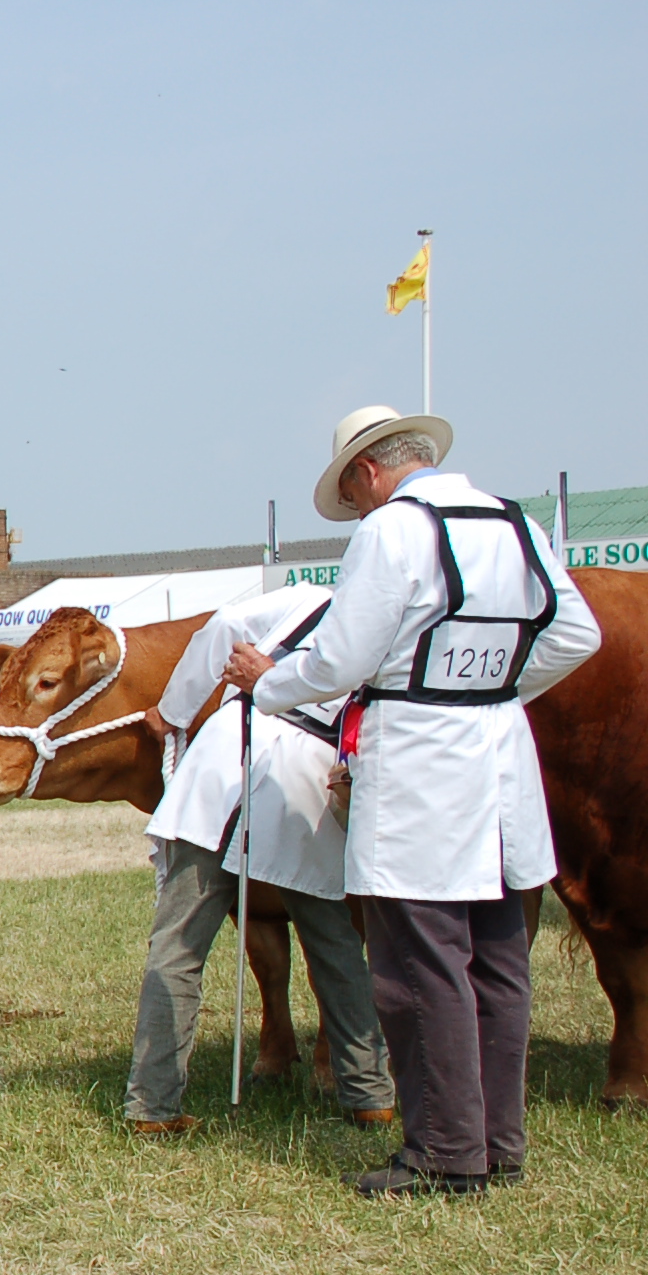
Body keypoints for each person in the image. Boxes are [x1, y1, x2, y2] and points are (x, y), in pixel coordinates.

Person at [229, 407, 602, 1196]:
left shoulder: (391, 532)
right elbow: (575, 637)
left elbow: (342, 658)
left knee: (417, 964)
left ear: (367, 472)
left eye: (352, 495)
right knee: (499, 959)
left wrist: (270, 682)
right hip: (500, 752)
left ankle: (442, 1152)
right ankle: (497, 1143)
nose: (358, 510)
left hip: (421, 766)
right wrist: (488, 686)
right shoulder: (517, 524)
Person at [124, 582, 396, 1134]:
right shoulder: (398, 627)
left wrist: (172, 712)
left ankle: (152, 1106)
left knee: (177, 943)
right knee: (335, 942)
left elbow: (221, 625)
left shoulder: (308, 595)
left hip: (231, 753)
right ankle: (369, 1093)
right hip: (306, 771)